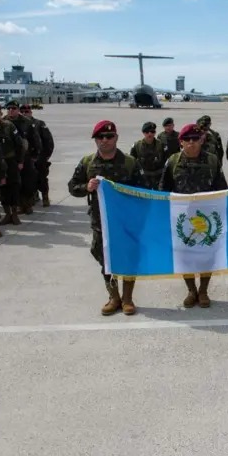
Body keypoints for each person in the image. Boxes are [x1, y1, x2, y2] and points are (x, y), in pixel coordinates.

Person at [67, 120, 146, 316]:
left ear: (116, 138)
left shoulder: (130, 163)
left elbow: (143, 191)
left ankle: (127, 299)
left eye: (109, 136)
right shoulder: (88, 163)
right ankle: (114, 297)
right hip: (100, 222)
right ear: (95, 140)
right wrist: (86, 187)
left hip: (125, 222)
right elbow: (72, 187)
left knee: (128, 258)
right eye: (100, 137)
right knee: (105, 259)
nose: (105, 140)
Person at [159, 124, 228, 308]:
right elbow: (163, 190)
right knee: (184, 256)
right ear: (181, 142)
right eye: (187, 139)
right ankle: (191, 290)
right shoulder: (173, 161)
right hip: (181, 219)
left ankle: (203, 291)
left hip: (208, 219)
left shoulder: (212, 161)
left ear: (201, 140)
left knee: (207, 254)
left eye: (195, 139)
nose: (191, 143)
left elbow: (222, 189)